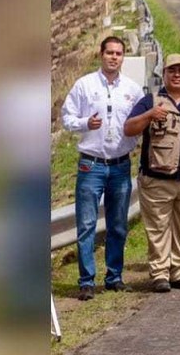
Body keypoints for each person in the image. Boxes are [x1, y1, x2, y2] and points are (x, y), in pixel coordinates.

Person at [124, 53, 180, 293]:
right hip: (157, 178)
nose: (177, 75)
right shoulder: (151, 100)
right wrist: (148, 115)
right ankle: (159, 273)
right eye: (172, 71)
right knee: (158, 229)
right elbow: (129, 128)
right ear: (164, 74)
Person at [61, 36, 144, 299]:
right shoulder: (84, 85)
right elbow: (67, 117)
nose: (114, 57)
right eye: (109, 53)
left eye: (119, 53)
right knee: (86, 224)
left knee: (118, 224)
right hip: (91, 165)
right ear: (101, 54)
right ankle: (86, 281)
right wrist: (86, 123)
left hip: (120, 165)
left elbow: (141, 121)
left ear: (123, 57)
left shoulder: (132, 89)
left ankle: (114, 276)